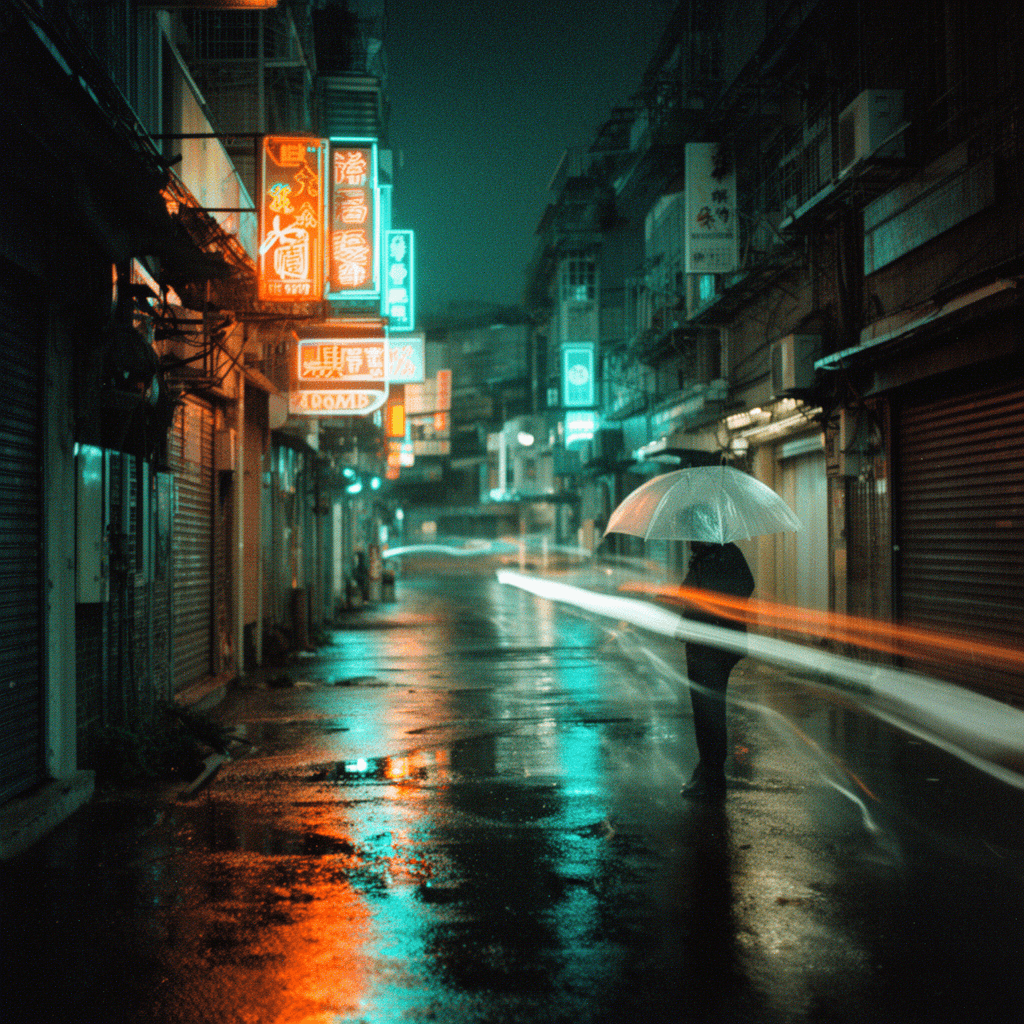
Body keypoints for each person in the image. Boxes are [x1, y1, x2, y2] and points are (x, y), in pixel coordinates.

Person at [678, 507, 755, 801]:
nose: (686, 541)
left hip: (714, 646)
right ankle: (706, 768)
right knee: (703, 712)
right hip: (701, 644)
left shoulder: (726, 555)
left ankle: (713, 777)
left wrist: (712, 604)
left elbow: (744, 586)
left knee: (710, 712)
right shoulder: (706, 557)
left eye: (690, 534)